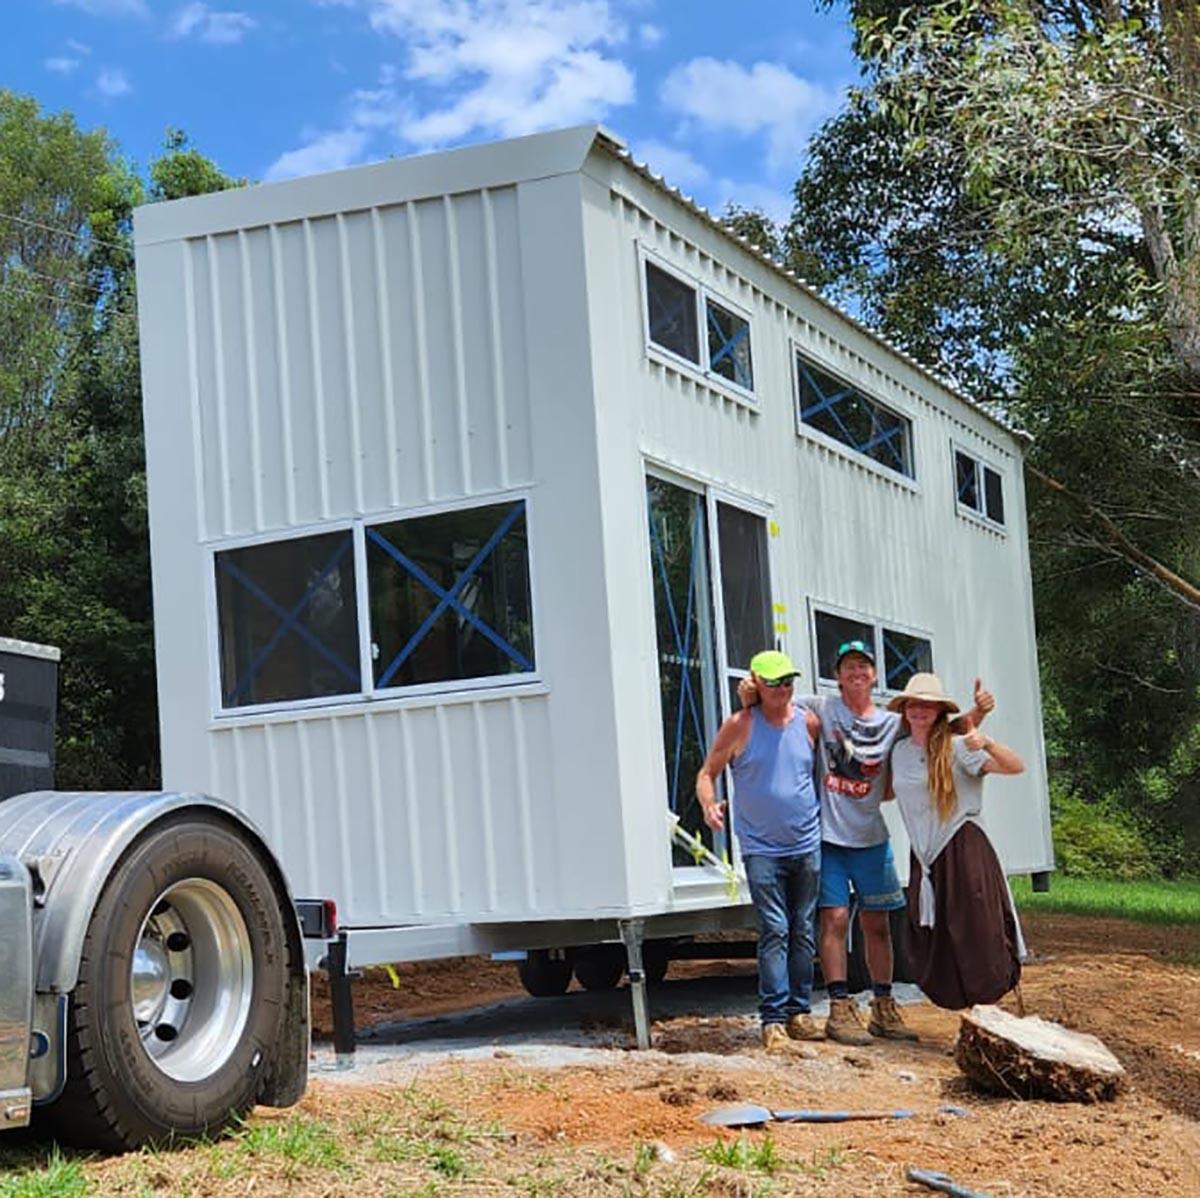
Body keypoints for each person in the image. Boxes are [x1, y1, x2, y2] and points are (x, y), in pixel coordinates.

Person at [741, 641, 994, 1045]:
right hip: (828, 838)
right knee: (835, 919)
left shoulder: (893, 722)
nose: (856, 673)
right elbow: (775, 700)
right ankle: (840, 1008)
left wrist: (979, 712)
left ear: (874, 676)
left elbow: (942, 728)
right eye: (847, 667)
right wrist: (751, 690)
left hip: (873, 838)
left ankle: (883, 1004)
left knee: (877, 925)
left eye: (863, 666)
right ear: (837, 676)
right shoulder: (820, 708)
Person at [695, 649, 823, 1052]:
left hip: (806, 843)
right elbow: (707, 773)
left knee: (803, 929)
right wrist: (708, 805)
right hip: (761, 848)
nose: (784, 689)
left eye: (789, 681)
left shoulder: (809, 722)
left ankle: (800, 1012)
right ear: (757, 685)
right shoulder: (739, 726)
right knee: (775, 930)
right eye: (775, 683)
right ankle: (773, 1021)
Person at [887, 673, 1026, 1009]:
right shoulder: (900, 752)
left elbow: (1016, 766)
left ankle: (988, 1010)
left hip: (962, 847)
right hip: (925, 855)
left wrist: (987, 742)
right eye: (913, 704)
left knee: (976, 931)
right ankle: (966, 1010)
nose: (919, 710)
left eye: (927, 705)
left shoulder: (958, 747)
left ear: (938, 711)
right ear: (905, 709)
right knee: (936, 937)